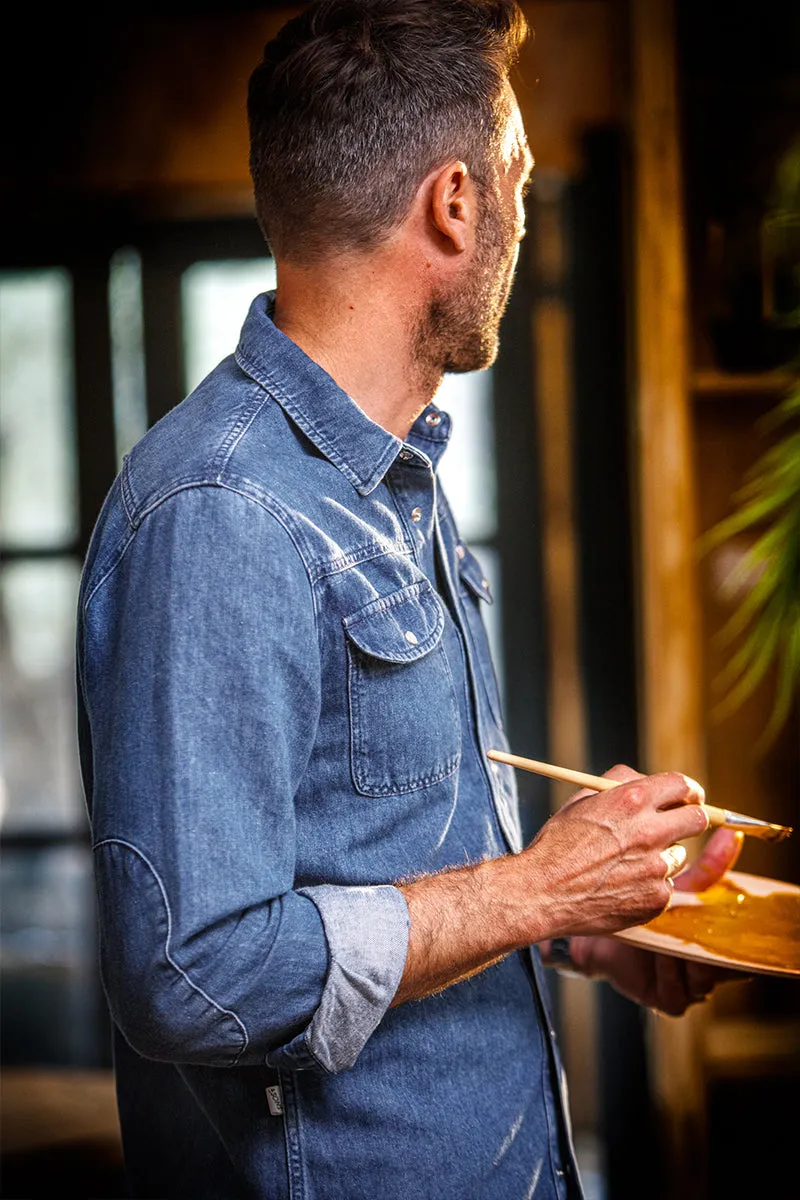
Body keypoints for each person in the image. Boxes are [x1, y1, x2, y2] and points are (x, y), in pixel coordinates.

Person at [76, 2, 745, 1197]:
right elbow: (193, 971)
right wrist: (531, 884)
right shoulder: (222, 510)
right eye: (517, 176)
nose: (523, 213)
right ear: (453, 201)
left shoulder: (388, 479)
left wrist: (585, 922)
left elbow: (379, 851)